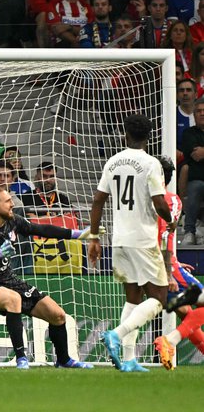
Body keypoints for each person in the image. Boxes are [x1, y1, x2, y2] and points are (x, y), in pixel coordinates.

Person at [0, 186, 96, 369]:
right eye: (7, 201)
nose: (12, 203)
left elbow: (42, 229)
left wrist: (76, 234)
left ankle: (63, 360)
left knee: (58, 316)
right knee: (13, 299)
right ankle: (21, 358)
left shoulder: (13, 221)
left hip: (9, 280)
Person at [88, 114, 176, 372]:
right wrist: (170, 220)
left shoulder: (113, 161)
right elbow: (160, 203)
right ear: (150, 136)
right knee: (159, 298)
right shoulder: (151, 163)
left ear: (124, 133)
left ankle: (128, 360)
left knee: (133, 298)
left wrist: (94, 237)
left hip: (120, 240)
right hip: (143, 240)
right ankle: (116, 334)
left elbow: (97, 200)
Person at [152, 155, 204, 370]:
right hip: (164, 264)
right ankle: (170, 340)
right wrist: (170, 269)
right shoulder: (169, 199)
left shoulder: (142, 200)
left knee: (187, 315)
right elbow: (163, 236)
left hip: (143, 263)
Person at [181, 97, 204, 245]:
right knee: (196, 187)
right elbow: (195, 155)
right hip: (197, 180)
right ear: (194, 115)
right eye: (198, 111)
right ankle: (189, 231)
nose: (202, 114)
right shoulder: (188, 133)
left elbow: (200, 154)